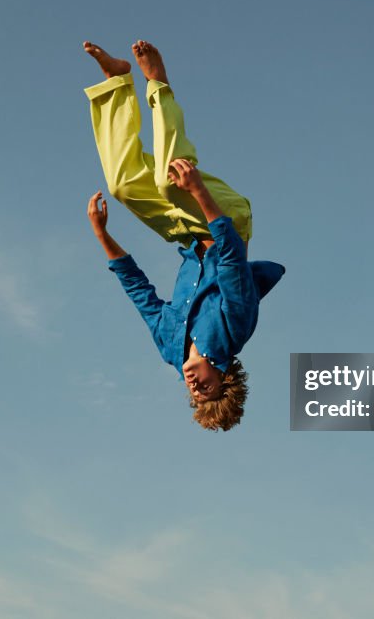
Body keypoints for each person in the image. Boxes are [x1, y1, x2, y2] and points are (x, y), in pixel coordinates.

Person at [83, 40, 285, 431]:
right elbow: (229, 259)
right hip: (226, 220)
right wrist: (198, 191)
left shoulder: (171, 347)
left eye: (194, 394)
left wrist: (100, 233)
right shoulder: (236, 328)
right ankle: (157, 82)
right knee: (168, 181)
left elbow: (138, 291)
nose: (195, 385)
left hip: (188, 235)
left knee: (122, 186)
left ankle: (116, 81)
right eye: (206, 389)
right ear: (223, 378)